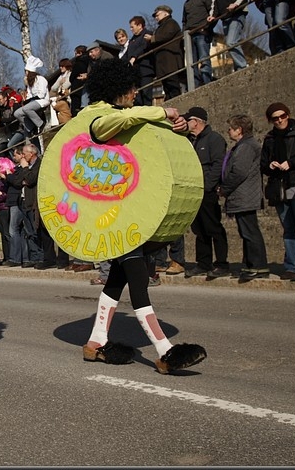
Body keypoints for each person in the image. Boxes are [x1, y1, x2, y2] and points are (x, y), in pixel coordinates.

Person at [79, 57, 206, 375]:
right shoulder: (95, 118)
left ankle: (95, 342)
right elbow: (114, 123)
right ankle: (165, 351)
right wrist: (162, 112)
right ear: (118, 88)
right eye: (132, 88)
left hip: (127, 211)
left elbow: (137, 126)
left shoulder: (122, 116)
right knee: (137, 279)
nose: (136, 93)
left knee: (117, 280)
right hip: (112, 216)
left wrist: (175, 128)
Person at [179, 107, 231, 279]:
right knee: (199, 229)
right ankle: (203, 263)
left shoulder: (214, 139)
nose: (186, 123)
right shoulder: (190, 140)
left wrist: (208, 186)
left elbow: (218, 165)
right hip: (193, 192)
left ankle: (222, 263)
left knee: (213, 227)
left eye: (188, 120)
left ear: (196, 121)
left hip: (207, 192)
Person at [220, 114, 269, 283]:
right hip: (243, 196)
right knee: (246, 231)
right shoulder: (243, 145)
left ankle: (258, 266)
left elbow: (239, 172)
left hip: (245, 196)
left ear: (239, 130)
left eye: (231, 128)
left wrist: (224, 189)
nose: (228, 131)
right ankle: (250, 265)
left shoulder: (247, 146)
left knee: (250, 232)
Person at [260, 102, 295, 281]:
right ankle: (291, 266)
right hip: (279, 187)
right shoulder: (269, 138)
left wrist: (291, 163)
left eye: (282, 116)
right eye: (275, 118)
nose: (279, 120)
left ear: (288, 114)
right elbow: (263, 164)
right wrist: (270, 166)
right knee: (288, 229)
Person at [207, 0, 250, 72]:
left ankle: (242, 67)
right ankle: (238, 67)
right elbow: (215, 0)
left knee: (231, 41)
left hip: (238, 13)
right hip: (225, 17)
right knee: (230, 42)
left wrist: (236, 4)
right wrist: (212, 15)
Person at [144, 5, 185, 100]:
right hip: (164, 63)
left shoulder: (171, 23)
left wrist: (152, 38)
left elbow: (166, 35)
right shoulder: (160, 27)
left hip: (170, 60)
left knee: (173, 85)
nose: (156, 17)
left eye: (157, 14)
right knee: (167, 86)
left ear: (166, 13)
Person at [182, 0, 215, 87]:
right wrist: (184, 34)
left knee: (204, 59)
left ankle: (207, 83)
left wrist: (207, 28)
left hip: (202, 33)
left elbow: (213, 14)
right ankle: (195, 85)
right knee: (192, 63)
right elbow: (184, 20)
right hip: (190, 36)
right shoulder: (187, 3)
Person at [14, 55, 52, 139]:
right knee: (17, 113)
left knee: (26, 108)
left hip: (42, 101)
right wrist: (27, 100)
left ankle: (40, 124)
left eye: (26, 72)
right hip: (33, 102)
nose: (25, 74)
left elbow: (42, 94)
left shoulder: (41, 79)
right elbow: (30, 94)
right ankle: (31, 127)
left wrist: (31, 100)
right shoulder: (30, 83)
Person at [127, 16, 156, 106]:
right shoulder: (132, 39)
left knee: (146, 93)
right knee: (137, 96)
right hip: (136, 72)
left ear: (139, 25)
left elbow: (143, 47)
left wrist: (134, 57)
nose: (131, 29)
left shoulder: (147, 34)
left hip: (145, 69)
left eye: (132, 27)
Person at [0, 157, 13, 265]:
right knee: (2, 233)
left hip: (5, 208)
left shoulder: (6, 181)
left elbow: (6, 195)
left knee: (6, 233)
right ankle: (6, 256)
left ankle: (10, 256)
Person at [49, 58, 73, 125]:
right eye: (60, 66)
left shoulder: (70, 74)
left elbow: (65, 86)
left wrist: (60, 85)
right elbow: (53, 88)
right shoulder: (61, 76)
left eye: (62, 66)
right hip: (61, 97)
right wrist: (60, 83)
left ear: (66, 66)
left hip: (67, 98)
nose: (60, 68)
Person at [68, 45, 90, 115]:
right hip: (85, 87)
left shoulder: (79, 63)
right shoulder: (89, 62)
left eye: (76, 53)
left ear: (80, 53)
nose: (75, 55)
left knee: (75, 109)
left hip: (77, 88)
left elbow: (72, 77)